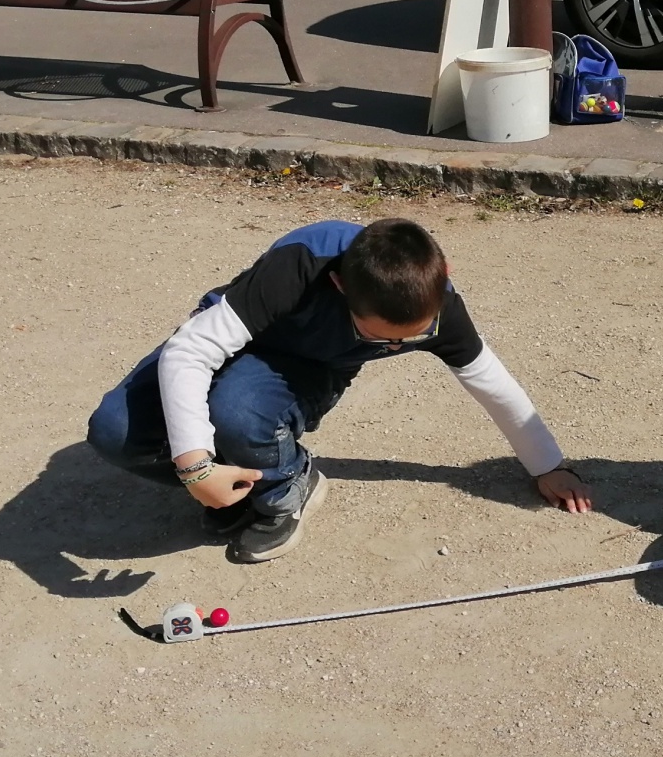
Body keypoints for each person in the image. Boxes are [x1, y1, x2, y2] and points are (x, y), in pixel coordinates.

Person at [88, 218, 590, 563]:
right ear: (340, 287)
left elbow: (490, 381)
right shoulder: (300, 264)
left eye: (412, 335)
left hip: (308, 366)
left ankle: (283, 486)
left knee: (237, 412)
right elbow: (190, 353)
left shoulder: (438, 308)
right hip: (243, 335)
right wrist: (195, 466)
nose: (399, 345)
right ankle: (240, 484)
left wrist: (548, 464)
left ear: (445, 274)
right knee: (114, 431)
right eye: (382, 337)